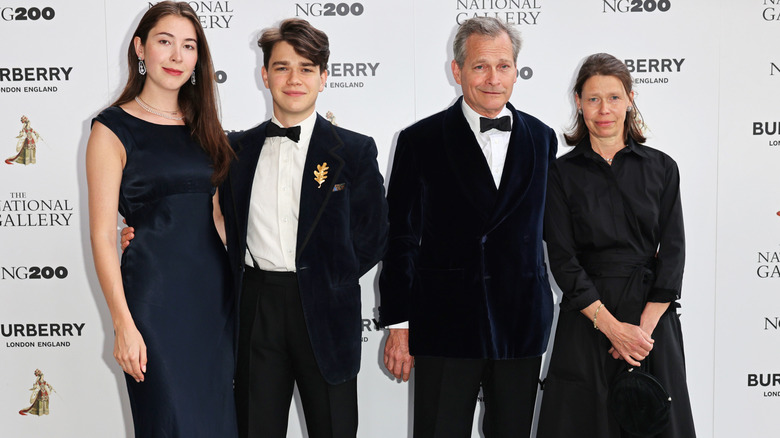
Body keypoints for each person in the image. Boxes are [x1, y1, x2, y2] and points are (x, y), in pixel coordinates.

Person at [379, 17, 557, 437]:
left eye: (504, 66)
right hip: (445, 324)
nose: (493, 78)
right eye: (480, 66)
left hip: (521, 323)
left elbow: (557, 230)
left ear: (516, 71)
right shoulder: (420, 140)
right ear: (457, 71)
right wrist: (399, 326)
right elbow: (400, 238)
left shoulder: (543, 138)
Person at [220, 19, 387, 438]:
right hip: (256, 306)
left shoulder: (354, 148)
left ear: (324, 77)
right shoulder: (235, 150)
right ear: (264, 75)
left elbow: (374, 234)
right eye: (282, 67)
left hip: (326, 312)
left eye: (307, 68)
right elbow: (214, 221)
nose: (294, 79)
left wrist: (332, 276)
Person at [86, 2, 237, 437]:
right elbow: (100, 235)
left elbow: (216, 218)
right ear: (140, 49)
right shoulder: (111, 129)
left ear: (197, 59)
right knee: (169, 423)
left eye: (188, 46)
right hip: (154, 303)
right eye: (165, 42)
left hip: (214, 301)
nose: (176, 56)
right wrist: (123, 324)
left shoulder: (206, 127)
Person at [536, 53, 696, 437]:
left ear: (630, 98)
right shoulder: (559, 173)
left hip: (650, 323)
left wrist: (638, 334)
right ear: (578, 102)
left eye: (613, 97)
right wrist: (611, 329)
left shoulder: (662, 167)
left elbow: (673, 252)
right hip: (588, 318)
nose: (603, 109)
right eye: (592, 99)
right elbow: (562, 257)